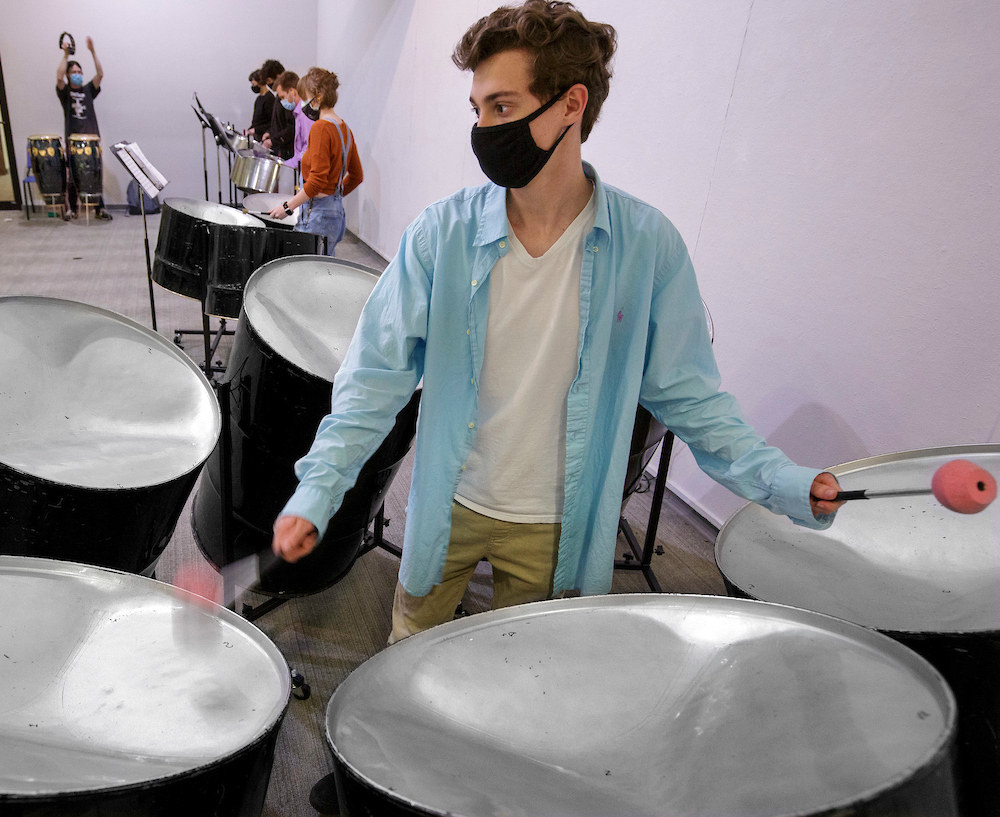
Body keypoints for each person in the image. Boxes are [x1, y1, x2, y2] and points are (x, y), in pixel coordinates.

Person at [276, 6, 845, 810]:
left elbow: (695, 400)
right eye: (477, 110)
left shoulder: (647, 248)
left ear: (571, 104)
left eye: (501, 108)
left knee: (532, 698)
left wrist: (785, 482)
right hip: (448, 504)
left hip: (559, 527)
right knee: (408, 672)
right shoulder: (439, 237)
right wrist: (317, 491)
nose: (482, 129)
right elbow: (370, 383)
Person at [267, 68, 362, 254]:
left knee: (307, 274)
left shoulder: (320, 128)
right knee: (324, 270)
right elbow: (356, 175)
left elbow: (317, 181)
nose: (303, 104)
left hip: (317, 215)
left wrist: (287, 207)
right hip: (336, 215)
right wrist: (334, 196)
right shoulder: (345, 129)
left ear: (317, 97)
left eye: (305, 98)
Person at [56, 36, 110, 220]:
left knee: (95, 174)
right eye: (74, 71)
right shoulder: (65, 93)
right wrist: (65, 55)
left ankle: (99, 208)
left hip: (91, 140)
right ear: (69, 75)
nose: (78, 74)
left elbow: (100, 74)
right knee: (73, 176)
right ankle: (72, 209)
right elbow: (58, 76)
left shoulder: (88, 90)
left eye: (80, 71)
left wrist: (93, 51)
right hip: (73, 140)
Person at [283, 74, 318, 170]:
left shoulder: (305, 115)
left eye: (283, 97)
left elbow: (308, 146)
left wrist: (291, 163)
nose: (282, 101)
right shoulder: (298, 114)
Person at [261, 71, 298, 160]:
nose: (282, 101)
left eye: (282, 97)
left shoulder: (294, 109)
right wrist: (270, 132)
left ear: (292, 91)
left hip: (288, 153)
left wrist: (273, 141)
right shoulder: (282, 101)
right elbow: (278, 121)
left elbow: (291, 128)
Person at [248, 70, 272, 139]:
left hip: (265, 138)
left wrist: (256, 130)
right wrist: (251, 129)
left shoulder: (269, 99)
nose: (253, 87)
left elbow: (271, 122)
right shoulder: (259, 99)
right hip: (258, 137)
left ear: (260, 82)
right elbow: (257, 120)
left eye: (253, 84)